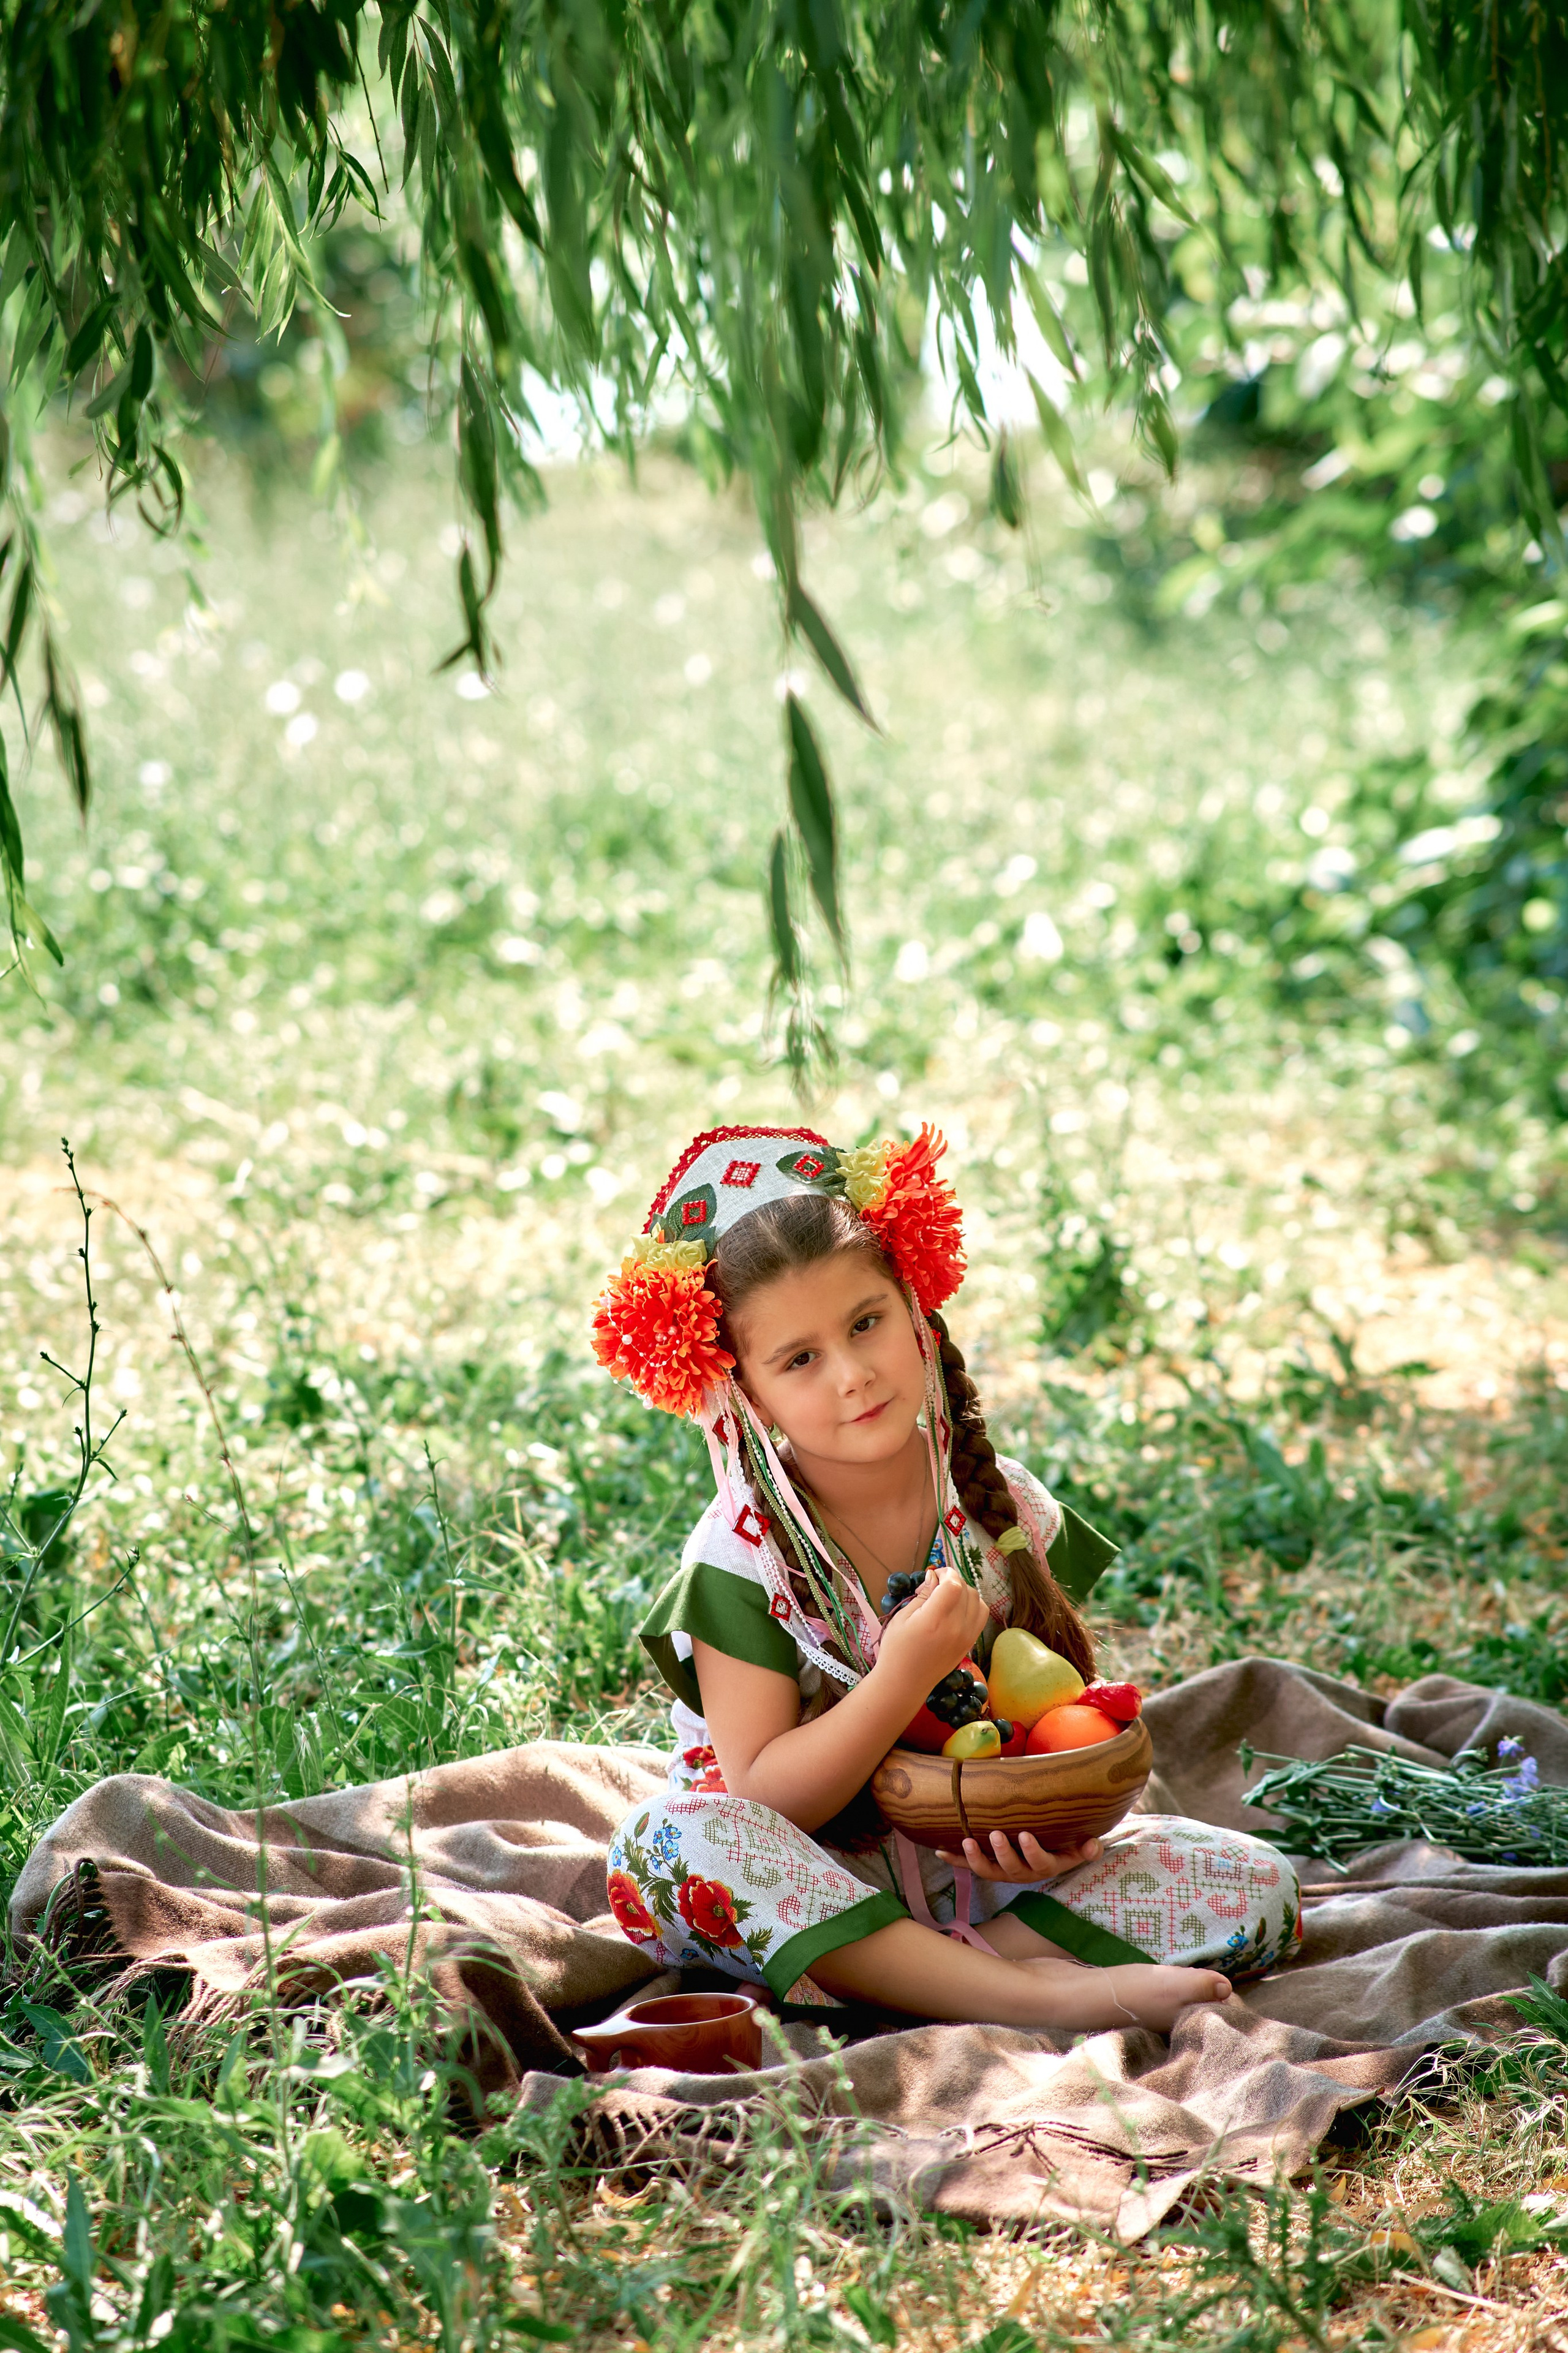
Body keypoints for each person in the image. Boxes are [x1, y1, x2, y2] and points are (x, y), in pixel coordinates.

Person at [591, 1124, 1300, 2030]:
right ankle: (1032, 1994)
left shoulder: (1003, 1509)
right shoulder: (743, 1557)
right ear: (746, 1391)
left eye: (866, 1323)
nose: (853, 1375)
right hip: (804, 1876)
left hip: (976, 1875)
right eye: (800, 1359)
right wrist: (901, 1676)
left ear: (916, 1307)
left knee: (1255, 1883)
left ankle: (917, 1979)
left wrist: (1051, 1833)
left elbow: (1045, 1724)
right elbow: (766, 1797)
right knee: (668, 1845)